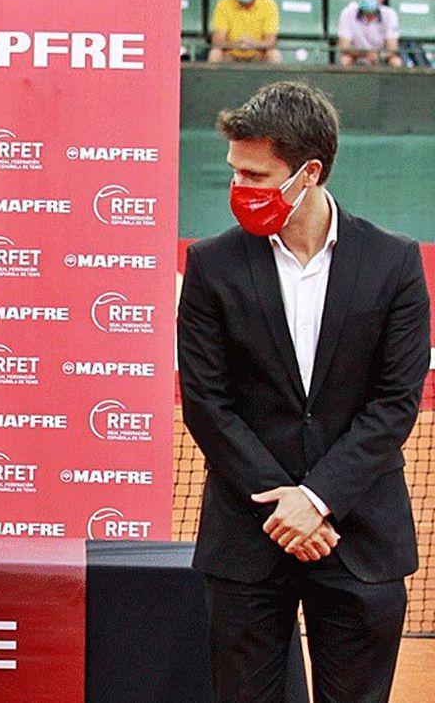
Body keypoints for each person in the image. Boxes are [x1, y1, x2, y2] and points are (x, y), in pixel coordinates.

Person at [178, 81, 427, 701]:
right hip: (247, 538)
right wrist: (282, 506)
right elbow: (208, 404)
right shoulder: (211, 266)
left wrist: (317, 500)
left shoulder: (394, 264)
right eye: (235, 172)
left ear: (308, 173)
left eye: (257, 176)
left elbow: (395, 402)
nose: (240, 189)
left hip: (359, 535)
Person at [208, 0, 282, 64]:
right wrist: (237, 44)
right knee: (215, 53)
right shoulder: (223, 4)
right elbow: (217, 41)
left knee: (274, 54)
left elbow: (271, 41)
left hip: (258, 54)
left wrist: (252, 44)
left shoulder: (269, 4)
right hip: (231, 54)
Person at [338, 0, 403, 68]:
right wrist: (364, 54)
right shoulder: (347, 13)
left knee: (396, 61)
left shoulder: (390, 15)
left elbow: (392, 47)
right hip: (356, 56)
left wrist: (379, 55)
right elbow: (344, 46)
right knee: (345, 60)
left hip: (381, 58)